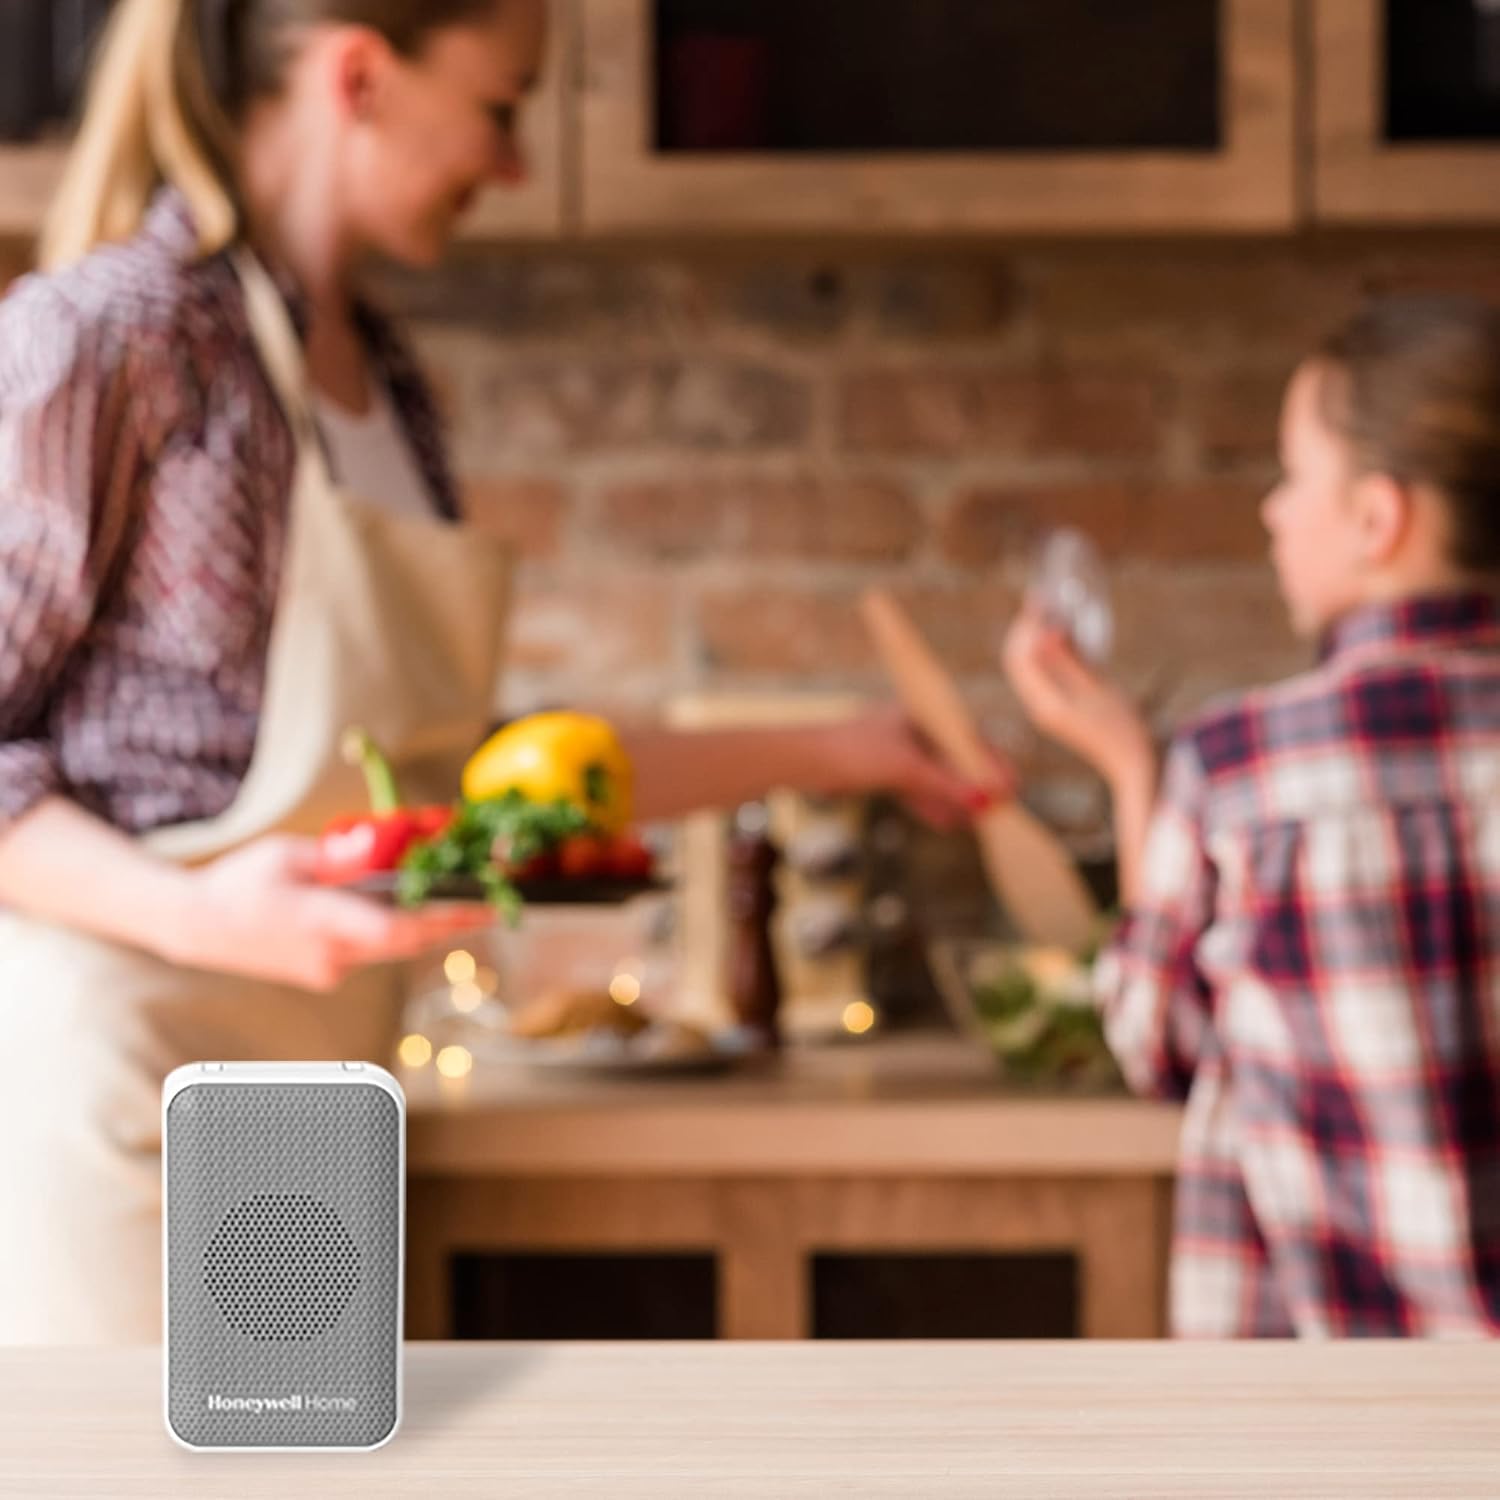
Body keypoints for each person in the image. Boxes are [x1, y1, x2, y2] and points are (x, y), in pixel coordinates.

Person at [0, 0, 1008, 1345]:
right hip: (129, 1081)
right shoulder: (111, 333)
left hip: (318, 1090)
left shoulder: (384, 380)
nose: (516, 164)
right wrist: (197, 917)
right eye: (499, 106)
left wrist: (836, 749)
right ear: (360, 75)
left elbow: (476, 782)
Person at [1005, 293, 1500, 1338]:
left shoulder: (1246, 767)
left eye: (1292, 476)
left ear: (1378, 517)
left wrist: (1133, 770)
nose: (1272, 511)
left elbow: (1154, 1038)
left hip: (1339, 1433)